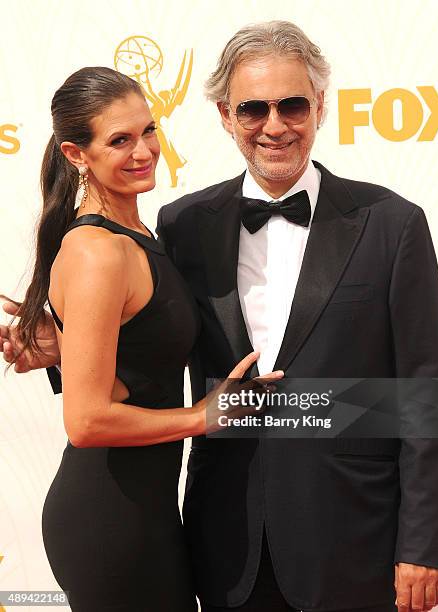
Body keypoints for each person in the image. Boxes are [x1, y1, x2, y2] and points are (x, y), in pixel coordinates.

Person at [1, 21, 438, 612]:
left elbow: (426, 393)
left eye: (292, 104)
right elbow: (150, 347)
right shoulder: (183, 224)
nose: (275, 125)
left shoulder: (392, 224)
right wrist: (66, 350)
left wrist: (423, 543)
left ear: (319, 106)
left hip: (352, 535)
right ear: (224, 114)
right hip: (222, 537)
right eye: (253, 108)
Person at [0, 66, 282, 612]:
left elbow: (134, 350)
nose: (143, 151)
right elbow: (86, 422)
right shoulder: (97, 251)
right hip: (110, 517)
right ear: (76, 154)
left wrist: (64, 347)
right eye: (119, 140)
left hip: (146, 511)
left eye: (148, 130)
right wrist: (204, 417)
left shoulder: (138, 235)